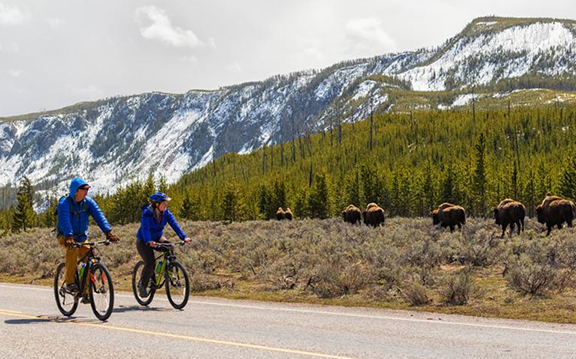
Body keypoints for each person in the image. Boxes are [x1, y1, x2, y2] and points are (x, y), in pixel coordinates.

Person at [56, 177, 119, 303]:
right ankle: (70, 283)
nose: (86, 191)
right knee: (72, 250)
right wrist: (69, 236)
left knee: (89, 256)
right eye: (84, 189)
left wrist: (108, 232)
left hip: (81, 236)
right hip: (65, 236)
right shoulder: (65, 203)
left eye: (87, 189)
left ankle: (86, 292)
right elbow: (64, 220)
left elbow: (99, 215)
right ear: (76, 191)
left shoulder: (87, 202)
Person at [136, 192, 190, 297]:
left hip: (158, 237)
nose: (166, 205)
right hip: (144, 240)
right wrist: (148, 241)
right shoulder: (147, 214)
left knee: (170, 246)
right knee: (150, 263)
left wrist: (184, 237)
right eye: (164, 203)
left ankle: (170, 270)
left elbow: (175, 224)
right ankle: (142, 285)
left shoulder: (166, 213)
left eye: (166, 203)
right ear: (156, 204)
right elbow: (145, 229)